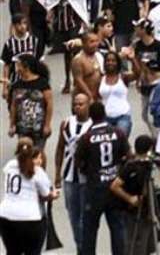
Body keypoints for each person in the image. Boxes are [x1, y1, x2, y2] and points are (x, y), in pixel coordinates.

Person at [76, 100, 130, 255]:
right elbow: (128, 156)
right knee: (117, 228)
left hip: (94, 189)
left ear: (90, 116)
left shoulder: (86, 137)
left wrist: (90, 171)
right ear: (105, 114)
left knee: (89, 230)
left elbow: (78, 162)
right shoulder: (118, 133)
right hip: (114, 188)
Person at [0, 138, 58, 255]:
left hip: (6, 217)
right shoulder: (37, 171)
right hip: (30, 220)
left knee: (12, 251)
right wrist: (54, 194)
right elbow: (46, 194)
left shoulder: (9, 166)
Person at [54, 92, 92, 252]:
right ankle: (80, 245)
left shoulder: (93, 125)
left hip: (87, 178)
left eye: (81, 104)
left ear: (88, 105)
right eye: (75, 104)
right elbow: (60, 148)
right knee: (73, 215)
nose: (77, 107)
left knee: (85, 216)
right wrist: (57, 173)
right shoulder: (66, 124)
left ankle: (84, 248)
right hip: (69, 177)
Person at [108, 134, 158, 255]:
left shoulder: (147, 166)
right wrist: (130, 198)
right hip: (132, 211)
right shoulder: (131, 167)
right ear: (150, 149)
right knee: (134, 242)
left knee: (147, 243)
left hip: (146, 210)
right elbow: (114, 186)